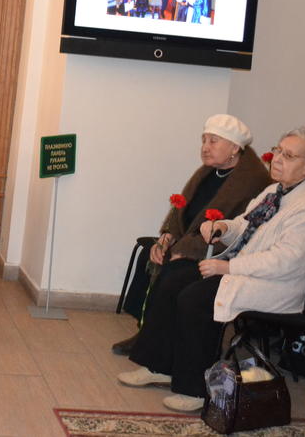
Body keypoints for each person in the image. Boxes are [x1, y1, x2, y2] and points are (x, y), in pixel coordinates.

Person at [118, 128, 305, 413]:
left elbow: (286, 261)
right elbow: (243, 224)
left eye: (289, 155)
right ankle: (159, 366)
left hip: (276, 286)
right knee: (175, 276)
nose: (278, 159)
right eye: (278, 150)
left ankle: (194, 388)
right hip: (246, 271)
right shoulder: (275, 191)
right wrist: (222, 227)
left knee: (196, 298)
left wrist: (228, 266)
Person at [112, 114, 270, 354]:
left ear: (234, 147)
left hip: (220, 254)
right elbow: (183, 212)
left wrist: (186, 251)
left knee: (174, 270)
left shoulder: (251, 181)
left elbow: (238, 232)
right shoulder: (208, 172)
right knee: (149, 254)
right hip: (190, 242)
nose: (205, 147)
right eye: (204, 140)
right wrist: (167, 237)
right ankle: (146, 331)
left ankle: (155, 341)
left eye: (213, 141)